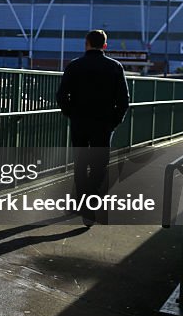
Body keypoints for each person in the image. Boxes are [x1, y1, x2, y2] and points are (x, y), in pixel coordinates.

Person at [56, 30, 130, 225]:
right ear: (105, 46)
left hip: (80, 121)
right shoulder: (115, 67)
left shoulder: (74, 65)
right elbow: (124, 100)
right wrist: (114, 121)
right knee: (99, 165)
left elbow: (62, 95)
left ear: (86, 43)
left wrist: (70, 113)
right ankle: (91, 203)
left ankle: (80, 201)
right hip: (104, 123)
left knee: (80, 163)